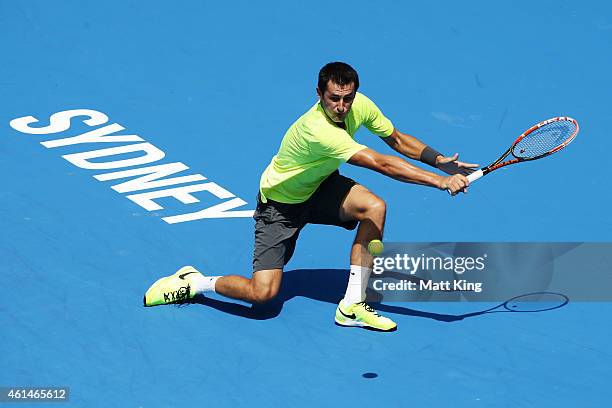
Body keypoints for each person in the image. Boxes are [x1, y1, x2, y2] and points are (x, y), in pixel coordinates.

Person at [143, 62, 476, 332]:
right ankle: (194, 282)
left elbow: (397, 140)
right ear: (319, 94)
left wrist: (437, 159)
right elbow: (381, 163)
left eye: (347, 98)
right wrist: (440, 181)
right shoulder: (318, 130)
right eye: (334, 98)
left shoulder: (359, 106)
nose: (341, 107)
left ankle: (352, 305)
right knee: (263, 296)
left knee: (374, 207)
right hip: (280, 206)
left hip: (320, 187)